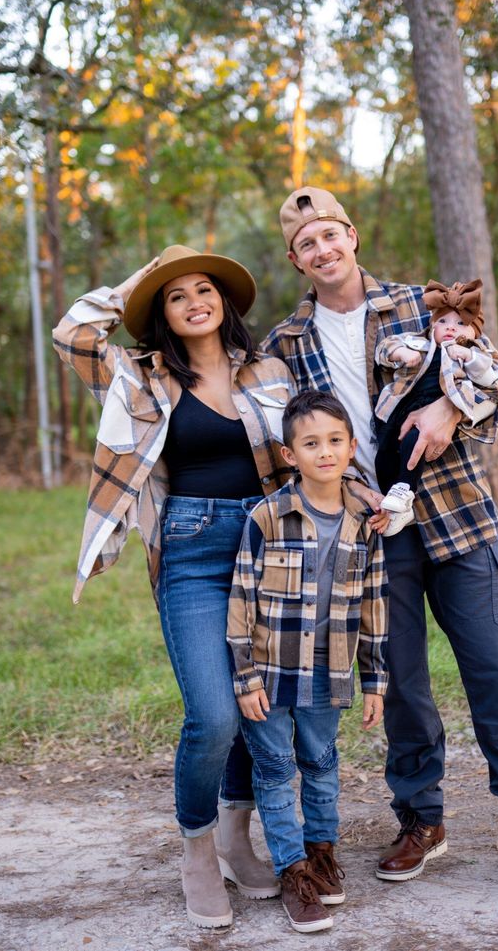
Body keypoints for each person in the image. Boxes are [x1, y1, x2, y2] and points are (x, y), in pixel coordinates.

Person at [261, 185, 498, 903]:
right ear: (295, 258)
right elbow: (277, 437)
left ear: (351, 235)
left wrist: (450, 405)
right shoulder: (284, 345)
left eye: (331, 234)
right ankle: (421, 819)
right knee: (403, 685)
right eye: (306, 243)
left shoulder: (421, 304)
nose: (323, 250)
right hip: (372, 534)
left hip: (459, 518)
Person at [53, 244, 297, 929]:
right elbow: (71, 331)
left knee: (257, 710)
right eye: (176, 294)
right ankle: (195, 850)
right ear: (161, 313)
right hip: (189, 549)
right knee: (213, 714)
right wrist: (140, 279)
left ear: (224, 301)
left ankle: (234, 837)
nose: (194, 300)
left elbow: (317, 437)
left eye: (204, 288)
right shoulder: (139, 376)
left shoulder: (270, 370)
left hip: (266, 546)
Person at [227, 389, 388, 933]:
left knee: (321, 765)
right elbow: (241, 597)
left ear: (350, 447)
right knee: (274, 772)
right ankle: (293, 872)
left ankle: (321, 856)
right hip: (271, 672)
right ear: (289, 454)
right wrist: (244, 676)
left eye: (335, 441)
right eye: (311, 443)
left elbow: (375, 604)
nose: (325, 452)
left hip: (331, 669)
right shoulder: (267, 517)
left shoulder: (367, 521)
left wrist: (376, 680)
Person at [375, 277, 498, 520]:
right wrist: (402, 353)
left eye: (460, 323)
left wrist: (467, 355)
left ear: (474, 331)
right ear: (432, 325)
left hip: (433, 410)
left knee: (415, 444)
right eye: (442, 321)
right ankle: (395, 509)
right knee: (385, 454)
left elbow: (493, 375)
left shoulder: (474, 353)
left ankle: (405, 491)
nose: (450, 328)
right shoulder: (418, 343)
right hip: (400, 407)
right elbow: (385, 348)